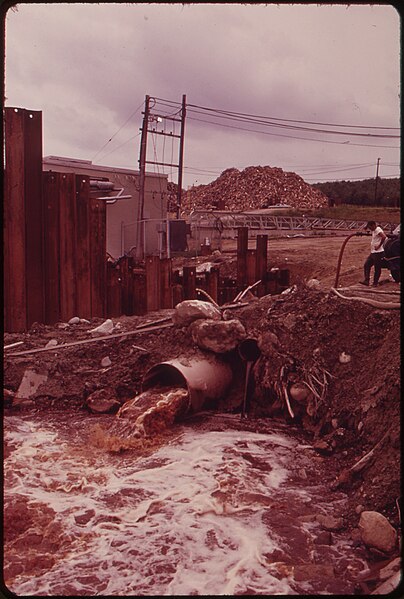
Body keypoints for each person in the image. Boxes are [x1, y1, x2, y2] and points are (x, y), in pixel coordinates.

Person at [360, 221, 387, 286]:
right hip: (373, 253)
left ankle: (375, 283)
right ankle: (366, 280)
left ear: (374, 225)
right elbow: (368, 226)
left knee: (377, 268)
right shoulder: (374, 230)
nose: (370, 229)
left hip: (378, 253)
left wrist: (379, 246)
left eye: (370, 227)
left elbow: (384, 237)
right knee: (367, 265)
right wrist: (366, 228)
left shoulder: (378, 229)